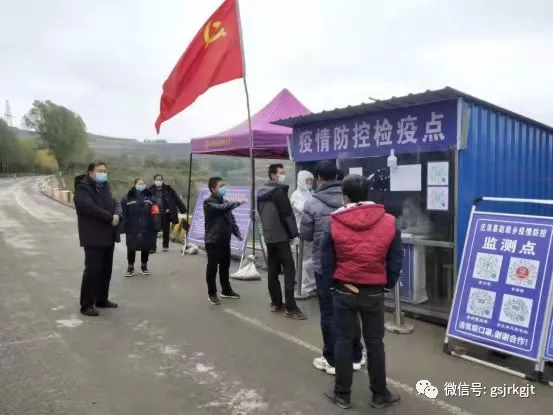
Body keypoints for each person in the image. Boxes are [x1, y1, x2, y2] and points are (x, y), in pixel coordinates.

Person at [321, 174, 403, 410]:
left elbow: (327, 260)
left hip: (344, 289)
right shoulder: (389, 221)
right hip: (374, 291)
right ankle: (380, 394)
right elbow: (395, 259)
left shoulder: (334, 222)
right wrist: (387, 284)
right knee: (375, 343)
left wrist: (330, 285)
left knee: (344, 341)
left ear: (345, 197)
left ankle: (342, 395)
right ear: (368, 194)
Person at [301, 161, 365, 375]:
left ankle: (332, 359)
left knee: (328, 313)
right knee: (351, 310)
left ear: (319, 178)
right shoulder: (352, 198)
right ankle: (356, 355)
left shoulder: (312, 203)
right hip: (351, 263)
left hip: (324, 265)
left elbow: (306, 234)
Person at [257, 163, 306, 320]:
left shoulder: (260, 193)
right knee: (289, 271)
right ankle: (291, 308)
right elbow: (287, 216)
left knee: (272, 270)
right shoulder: (278, 192)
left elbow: (260, 213)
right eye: (281, 172)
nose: (283, 175)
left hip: (269, 237)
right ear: (272, 175)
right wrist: (293, 234)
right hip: (281, 237)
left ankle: (276, 303)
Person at [74, 161, 122, 317]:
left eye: (105, 171)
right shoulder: (83, 188)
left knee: (105, 269)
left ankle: (102, 299)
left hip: (108, 234)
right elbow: (89, 208)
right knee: (93, 270)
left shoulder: (105, 186)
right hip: (93, 235)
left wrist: (117, 214)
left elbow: (115, 202)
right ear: (90, 173)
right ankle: (86, 304)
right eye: (100, 171)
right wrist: (110, 218)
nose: (103, 173)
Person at [203, 176, 244, 305]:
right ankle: (212, 293)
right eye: (221, 186)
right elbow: (221, 208)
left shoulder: (225, 202)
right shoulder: (208, 203)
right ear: (213, 189)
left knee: (225, 266)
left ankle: (226, 290)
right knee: (212, 268)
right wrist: (237, 203)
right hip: (213, 240)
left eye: (224, 185)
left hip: (224, 240)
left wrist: (237, 233)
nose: (224, 188)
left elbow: (231, 219)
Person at [121, 178, 161, 277]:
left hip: (147, 226)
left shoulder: (151, 198)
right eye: (139, 184)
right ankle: (130, 267)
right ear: (135, 185)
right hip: (132, 227)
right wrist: (124, 226)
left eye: (143, 184)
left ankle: (144, 265)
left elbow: (155, 212)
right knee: (131, 247)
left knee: (145, 247)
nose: (141, 185)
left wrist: (156, 225)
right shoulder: (127, 198)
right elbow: (123, 213)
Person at [290, 170, 316, 300]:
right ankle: (305, 287)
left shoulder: (311, 193)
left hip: (310, 231)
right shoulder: (296, 195)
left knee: (309, 260)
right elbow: (304, 209)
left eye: (311, 181)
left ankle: (309, 285)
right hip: (301, 232)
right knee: (305, 261)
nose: (309, 183)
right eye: (307, 180)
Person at [148, 174, 186, 252]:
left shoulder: (168, 189)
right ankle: (152, 247)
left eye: (160, 179)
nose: (158, 181)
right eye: (157, 179)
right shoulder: (149, 190)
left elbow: (176, 198)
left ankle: (165, 245)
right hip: (154, 213)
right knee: (153, 230)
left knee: (165, 230)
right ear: (154, 181)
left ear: (162, 181)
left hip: (165, 212)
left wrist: (183, 209)